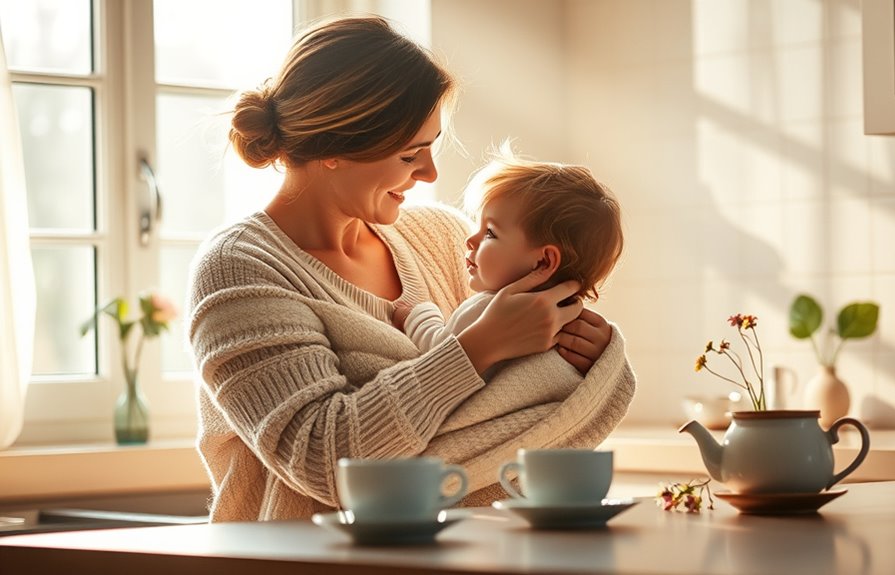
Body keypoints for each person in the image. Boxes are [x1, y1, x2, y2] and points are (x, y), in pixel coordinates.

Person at [186, 15, 635, 523]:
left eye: (431, 147)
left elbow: (523, 405)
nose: (429, 173)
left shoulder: (443, 236)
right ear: (337, 147)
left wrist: (592, 352)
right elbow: (325, 462)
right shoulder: (239, 271)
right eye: (409, 154)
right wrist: (478, 346)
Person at [393, 147, 624, 390]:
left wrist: (418, 315)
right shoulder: (574, 323)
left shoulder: (490, 310)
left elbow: (438, 353)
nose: (470, 240)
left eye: (490, 233)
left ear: (544, 262)